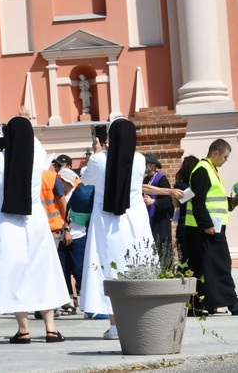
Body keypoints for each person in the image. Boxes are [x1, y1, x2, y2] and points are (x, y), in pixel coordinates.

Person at [0, 116, 68, 344]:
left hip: (4, 219)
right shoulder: (37, 157)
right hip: (35, 218)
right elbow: (32, 141)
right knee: (42, 270)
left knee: (13, 271)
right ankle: (51, 328)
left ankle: (23, 329)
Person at [80, 117, 154, 340]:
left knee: (107, 266)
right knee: (138, 264)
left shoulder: (98, 160)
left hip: (107, 219)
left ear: (109, 138)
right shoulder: (140, 159)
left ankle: (114, 325)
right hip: (135, 217)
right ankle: (142, 320)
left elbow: (86, 180)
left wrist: (96, 152)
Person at [182, 139, 238, 315]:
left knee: (202, 267)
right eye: (225, 157)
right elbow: (198, 202)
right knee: (221, 265)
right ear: (216, 154)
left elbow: (213, 200)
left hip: (208, 227)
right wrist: (206, 225)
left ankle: (199, 305)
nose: (226, 160)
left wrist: (232, 201)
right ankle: (233, 303)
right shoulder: (203, 170)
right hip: (207, 228)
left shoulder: (210, 170)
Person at [55, 168, 85, 315]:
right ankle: (69, 303)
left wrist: (67, 230)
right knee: (63, 270)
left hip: (78, 235)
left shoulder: (76, 195)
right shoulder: (59, 195)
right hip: (61, 237)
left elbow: (69, 217)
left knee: (79, 269)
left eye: (62, 182)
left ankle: (86, 299)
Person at [142, 153, 174, 254]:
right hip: (149, 219)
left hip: (160, 221)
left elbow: (168, 201)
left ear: (153, 165)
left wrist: (154, 202)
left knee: (162, 250)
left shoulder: (161, 179)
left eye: (146, 163)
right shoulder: (146, 179)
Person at [172, 156, 199, 258]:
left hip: (184, 222)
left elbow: (176, 204)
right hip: (198, 223)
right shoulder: (199, 185)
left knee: (184, 256)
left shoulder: (180, 186)